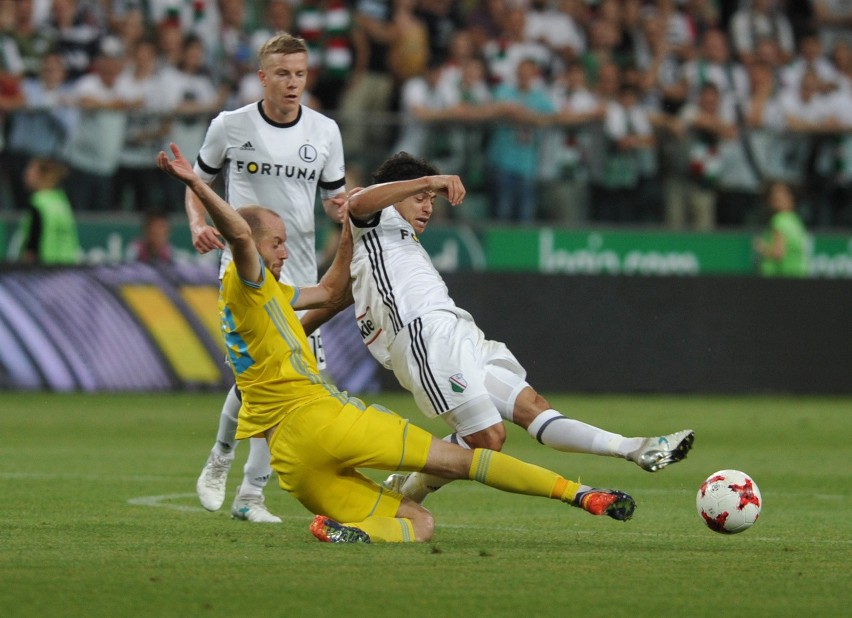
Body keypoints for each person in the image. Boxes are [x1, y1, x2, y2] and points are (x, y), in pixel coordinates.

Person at [157, 141, 637, 543]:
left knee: (418, 525)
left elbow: (328, 291)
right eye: (277, 243)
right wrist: (197, 185)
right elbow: (241, 234)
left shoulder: (266, 300)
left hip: (292, 461)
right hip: (326, 421)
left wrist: (351, 230)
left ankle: (344, 531)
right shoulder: (251, 281)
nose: (285, 251)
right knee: (469, 459)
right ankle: (582, 495)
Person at [342, 151, 694, 505]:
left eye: (431, 200)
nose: (429, 208)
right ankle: (406, 489)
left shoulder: (399, 240)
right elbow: (357, 201)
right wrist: (429, 181)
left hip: (459, 331)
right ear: (395, 192)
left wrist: (423, 189)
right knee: (488, 440)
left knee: (534, 408)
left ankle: (637, 448)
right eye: (420, 199)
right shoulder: (374, 220)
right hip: (424, 336)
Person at [189, 32, 347, 523]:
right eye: (283, 73)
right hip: (245, 270)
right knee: (258, 379)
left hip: (299, 271)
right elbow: (197, 183)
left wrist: (349, 209)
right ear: (263, 78)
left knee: (288, 383)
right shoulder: (231, 126)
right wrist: (198, 223)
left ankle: (250, 493)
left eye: (300, 74)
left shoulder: (325, 131)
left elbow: (332, 202)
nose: (293, 82)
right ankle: (222, 459)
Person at [17, 156, 80, 265]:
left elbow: (33, 242)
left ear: (41, 176)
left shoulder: (39, 203)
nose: (25, 175)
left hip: (44, 268)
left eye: (29, 172)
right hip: (67, 266)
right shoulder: (61, 201)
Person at [753, 182, 809, 277]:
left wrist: (762, 248)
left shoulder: (779, 220)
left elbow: (778, 252)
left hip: (778, 277)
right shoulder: (796, 220)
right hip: (798, 274)